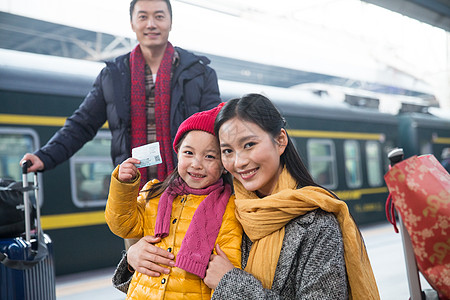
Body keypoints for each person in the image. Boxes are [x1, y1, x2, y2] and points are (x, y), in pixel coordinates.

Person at [113, 94, 380, 299]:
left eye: (249, 145)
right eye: (227, 151)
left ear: (280, 140)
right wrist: (135, 258)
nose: (239, 162)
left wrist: (230, 284)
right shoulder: (228, 205)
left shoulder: (318, 225)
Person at [20, 0, 221, 185]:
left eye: (159, 16)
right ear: (132, 24)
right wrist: (45, 156)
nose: (151, 24)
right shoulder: (113, 76)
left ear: (170, 22)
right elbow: (82, 124)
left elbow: (215, 132)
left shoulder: (199, 74)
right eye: (143, 17)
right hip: (132, 192)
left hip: (186, 191)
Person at [105, 103, 242, 299]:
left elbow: (226, 267)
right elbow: (122, 226)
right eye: (189, 153)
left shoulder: (229, 209)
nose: (196, 164)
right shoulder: (154, 194)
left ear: (224, 164)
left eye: (210, 156)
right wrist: (123, 185)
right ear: (177, 152)